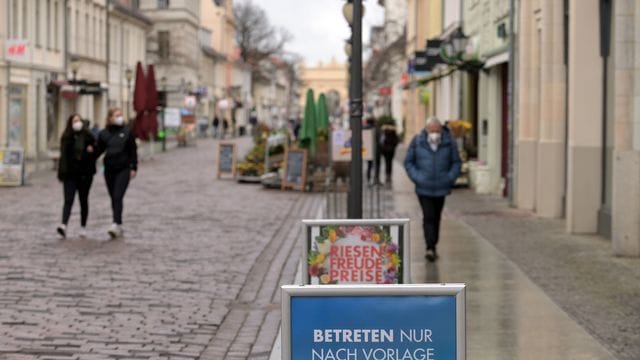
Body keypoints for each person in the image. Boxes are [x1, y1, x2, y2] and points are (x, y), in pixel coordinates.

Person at [404, 117, 461, 262]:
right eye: (432, 130)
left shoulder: (449, 142)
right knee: (428, 216)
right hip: (424, 187)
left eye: (437, 130)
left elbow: (456, 162)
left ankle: (433, 244)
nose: (435, 133)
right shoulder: (418, 141)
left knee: (436, 218)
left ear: (441, 130)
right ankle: (430, 247)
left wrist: (450, 178)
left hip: (442, 187)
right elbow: (408, 162)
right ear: (427, 129)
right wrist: (418, 177)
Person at [95, 108, 138, 239]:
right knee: (113, 197)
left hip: (123, 169)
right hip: (109, 169)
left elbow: (132, 150)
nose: (120, 117)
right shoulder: (104, 134)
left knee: (118, 195)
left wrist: (133, 167)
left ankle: (116, 223)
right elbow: (99, 150)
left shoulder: (127, 132)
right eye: (117, 115)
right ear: (110, 118)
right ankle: (118, 223)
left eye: (121, 115)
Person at [57, 114, 97, 239]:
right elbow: (63, 157)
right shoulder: (66, 137)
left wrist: (92, 150)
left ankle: (83, 227)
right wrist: (61, 173)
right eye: (75, 121)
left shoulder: (89, 136)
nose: (77, 122)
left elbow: (96, 150)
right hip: (70, 174)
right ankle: (63, 224)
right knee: (68, 199)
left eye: (79, 120)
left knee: (83, 200)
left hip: (85, 174)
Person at [365, 118, 380, 185]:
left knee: (369, 165)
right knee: (376, 165)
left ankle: (368, 179)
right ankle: (376, 179)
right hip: (376, 150)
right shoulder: (376, 129)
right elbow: (379, 139)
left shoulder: (364, 129)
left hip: (368, 150)